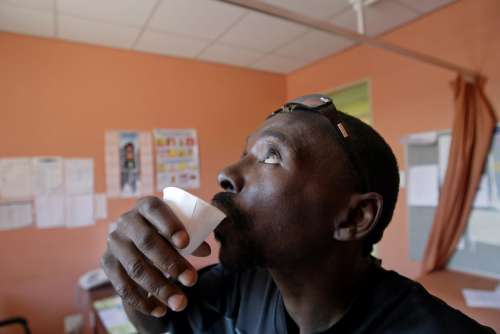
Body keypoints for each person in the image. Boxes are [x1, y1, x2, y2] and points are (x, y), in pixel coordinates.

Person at [101, 94, 494, 333]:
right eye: (243, 155)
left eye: (271, 156)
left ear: (354, 218)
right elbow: (160, 324)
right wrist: (136, 283)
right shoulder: (233, 287)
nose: (227, 174)